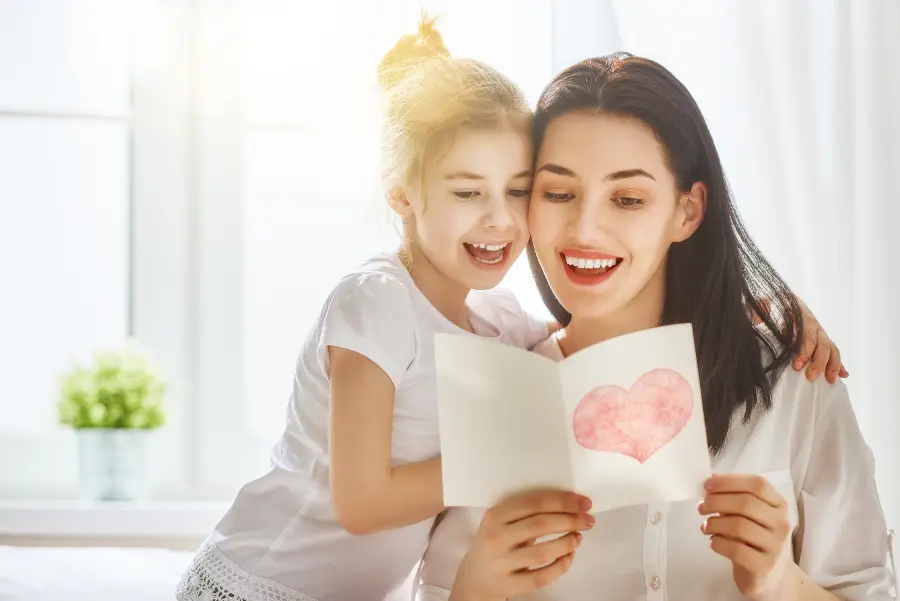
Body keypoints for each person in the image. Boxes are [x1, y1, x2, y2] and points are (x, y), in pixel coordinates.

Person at [415, 54, 894, 601]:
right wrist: (476, 585)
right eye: (558, 193)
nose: (586, 228)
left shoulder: (794, 383)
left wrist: (781, 583)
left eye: (628, 199)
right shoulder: (495, 392)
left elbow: (868, 589)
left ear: (687, 212)